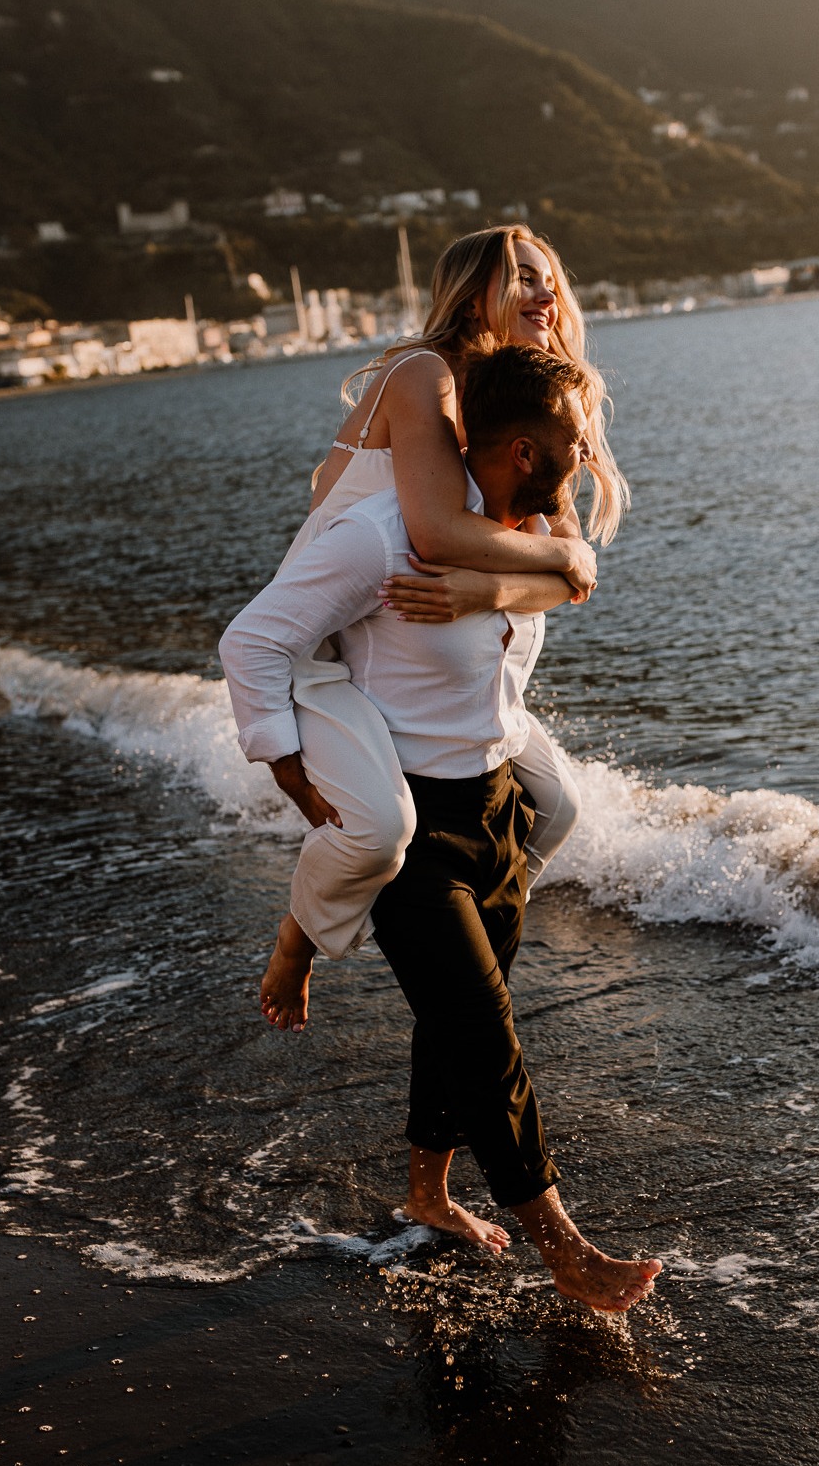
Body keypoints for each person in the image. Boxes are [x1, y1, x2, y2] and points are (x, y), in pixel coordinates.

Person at [220, 344, 661, 1314]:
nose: (588, 455)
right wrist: (295, 778)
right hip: (413, 832)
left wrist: (522, 575)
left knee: (456, 1022)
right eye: (573, 443)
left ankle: (427, 1191)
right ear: (515, 448)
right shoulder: (380, 537)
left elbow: (560, 582)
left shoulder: (516, 534)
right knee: (485, 1034)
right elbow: (253, 640)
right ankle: (564, 1246)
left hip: (496, 804)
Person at [241, 225, 626, 1033]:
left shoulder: (514, 402)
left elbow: (554, 579)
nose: (544, 293)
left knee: (554, 807)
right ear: (473, 291)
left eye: (549, 277)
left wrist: (505, 584)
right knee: (382, 831)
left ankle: (473, 948)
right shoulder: (425, 376)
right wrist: (560, 560)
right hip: (333, 651)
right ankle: (304, 934)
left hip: (421, 645)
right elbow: (435, 534)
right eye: (521, 276)